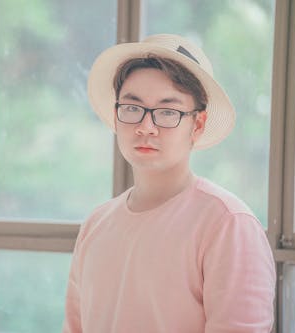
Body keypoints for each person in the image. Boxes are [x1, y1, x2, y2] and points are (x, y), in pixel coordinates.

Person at [62, 34, 276, 333]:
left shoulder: (227, 224)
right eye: (132, 108)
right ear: (116, 114)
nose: (146, 127)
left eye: (167, 112)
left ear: (198, 124)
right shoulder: (96, 224)